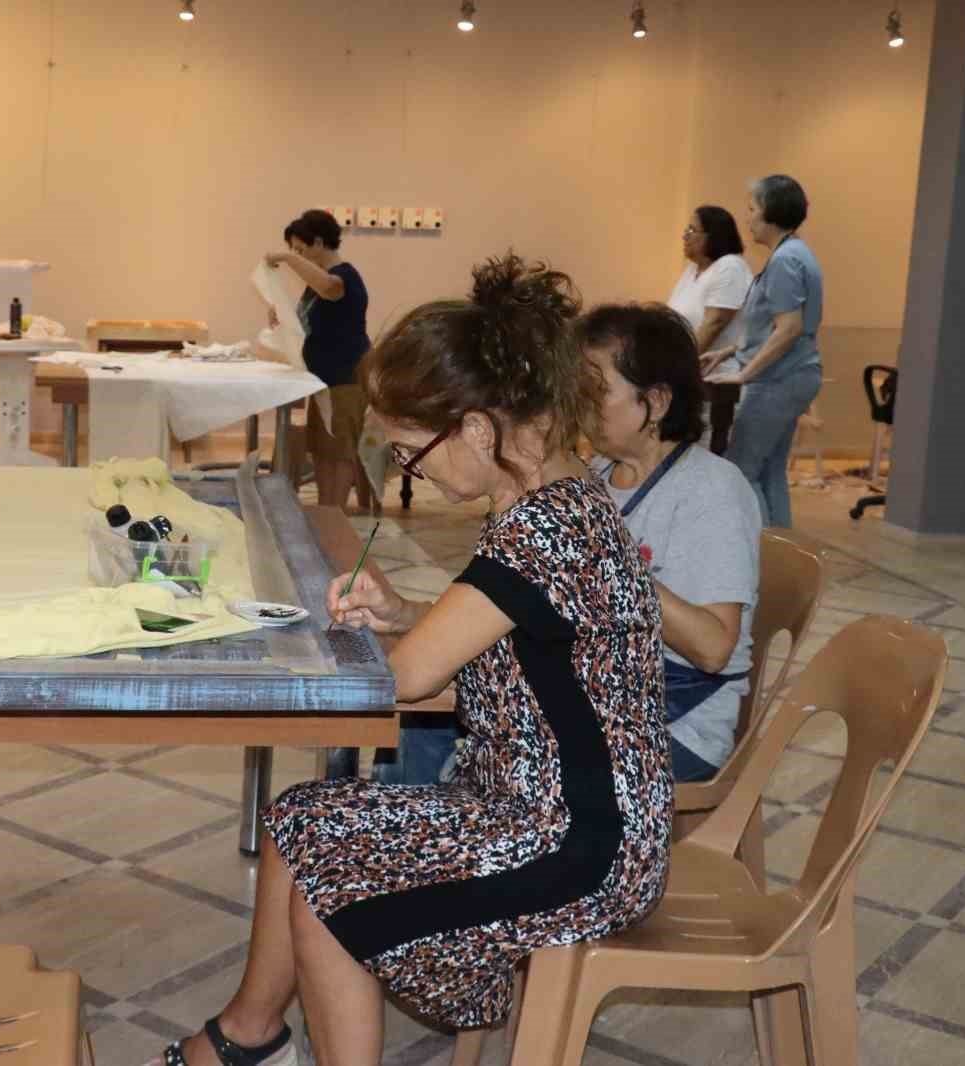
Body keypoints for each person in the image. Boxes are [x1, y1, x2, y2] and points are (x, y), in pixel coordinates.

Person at [148, 254, 671, 1066]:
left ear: (475, 429)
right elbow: (527, 639)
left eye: (408, 453)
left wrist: (368, 644)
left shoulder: (543, 528)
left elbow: (409, 678)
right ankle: (250, 1037)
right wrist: (404, 616)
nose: (408, 473)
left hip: (581, 844)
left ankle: (256, 1042)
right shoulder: (558, 499)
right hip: (545, 809)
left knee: (333, 897)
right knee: (301, 820)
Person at [582, 303, 762, 783]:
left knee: (507, 763)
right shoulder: (597, 474)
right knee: (438, 718)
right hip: (601, 695)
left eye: (594, 389)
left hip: (676, 728)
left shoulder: (711, 489)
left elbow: (712, 648)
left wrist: (607, 556)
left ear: (657, 402)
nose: (576, 403)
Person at [702, 175, 824, 527]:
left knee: (742, 471)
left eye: (752, 209)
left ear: (771, 212)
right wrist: (729, 352)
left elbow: (789, 329)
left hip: (778, 380)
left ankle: (758, 551)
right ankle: (779, 551)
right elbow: (772, 327)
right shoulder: (795, 253)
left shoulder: (785, 260)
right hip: (793, 375)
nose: (748, 218)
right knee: (770, 471)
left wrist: (744, 374)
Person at [265, 209, 371, 509]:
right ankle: (326, 512)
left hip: (345, 376)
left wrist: (288, 259)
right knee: (323, 450)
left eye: (301, 249)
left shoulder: (345, 277)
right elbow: (308, 324)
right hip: (322, 378)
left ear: (320, 243)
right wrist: (282, 315)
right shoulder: (315, 286)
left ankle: (334, 515)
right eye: (294, 251)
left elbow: (329, 288)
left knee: (339, 451)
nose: (298, 256)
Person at [666, 205, 751, 359]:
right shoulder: (693, 268)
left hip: (717, 369)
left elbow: (715, 323)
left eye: (692, 230)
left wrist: (680, 365)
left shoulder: (730, 266)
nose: (684, 236)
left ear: (713, 236)